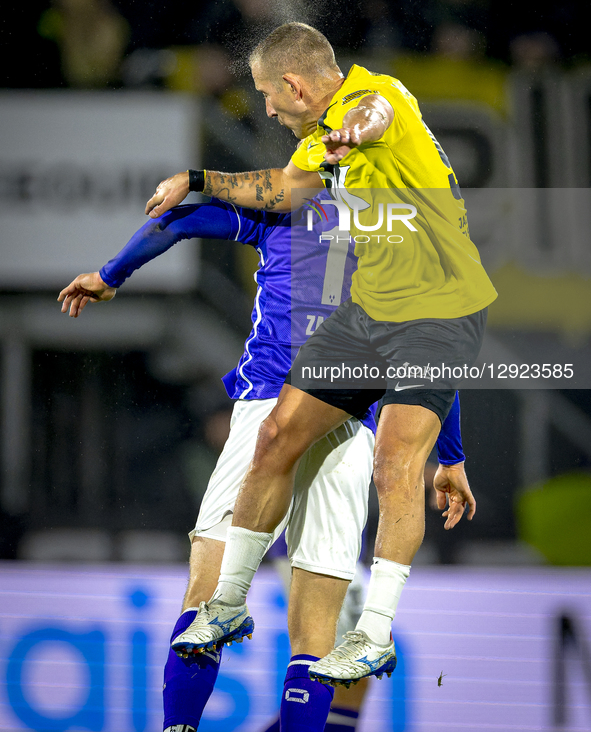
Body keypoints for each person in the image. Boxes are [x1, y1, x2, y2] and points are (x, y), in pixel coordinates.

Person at [141, 21, 492, 685]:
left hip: (438, 308)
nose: (267, 110)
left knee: (393, 461)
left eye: (271, 98)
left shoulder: (377, 97)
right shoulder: (311, 146)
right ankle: (225, 604)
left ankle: (374, 633)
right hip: (372, 308)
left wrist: (348, 135)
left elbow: (375, 113)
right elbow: (279, 189)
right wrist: (195, 178)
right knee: (275, 434)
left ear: (296, 85)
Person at [58, 196, 469, 731]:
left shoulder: (284, 200)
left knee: (207, 599)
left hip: (271, 408)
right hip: (348, 426)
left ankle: (179, 725)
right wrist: (452, 455)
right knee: (322, 637)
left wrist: (110, 274)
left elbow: (178, 220)